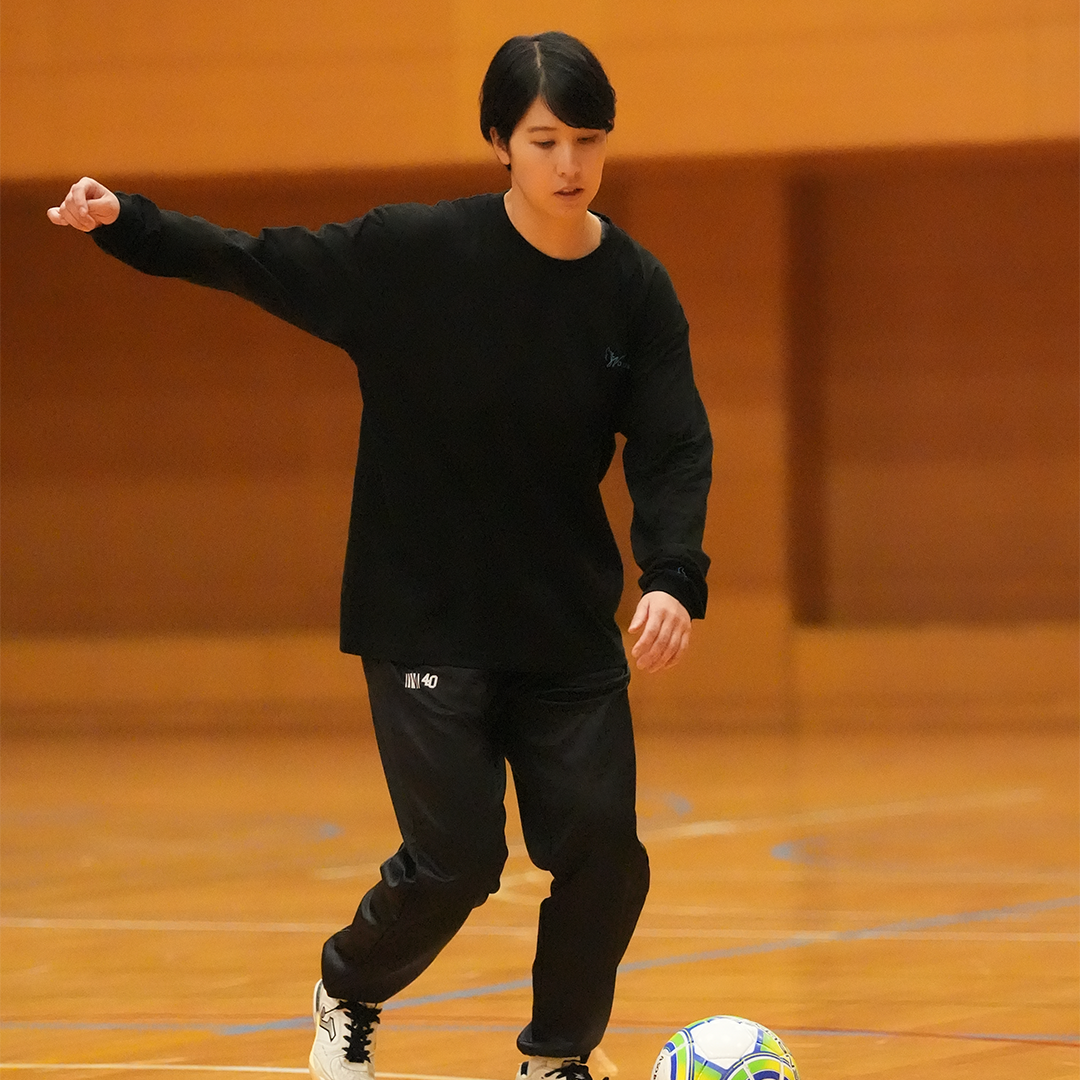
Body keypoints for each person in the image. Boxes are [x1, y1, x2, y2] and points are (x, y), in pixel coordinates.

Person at [48, 30, 712, 1080]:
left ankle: (558, 1059)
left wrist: (673, 575)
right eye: (545, 140)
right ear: (499, 141)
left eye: (588, 141)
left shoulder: (635, 287)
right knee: (457, 862)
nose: (570, 164)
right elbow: (258, 262)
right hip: (425, 616)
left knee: (605, 856)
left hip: (562, 624)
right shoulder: (414, 255)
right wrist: (128, 223)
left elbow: (673, 444)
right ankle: (348, 986)